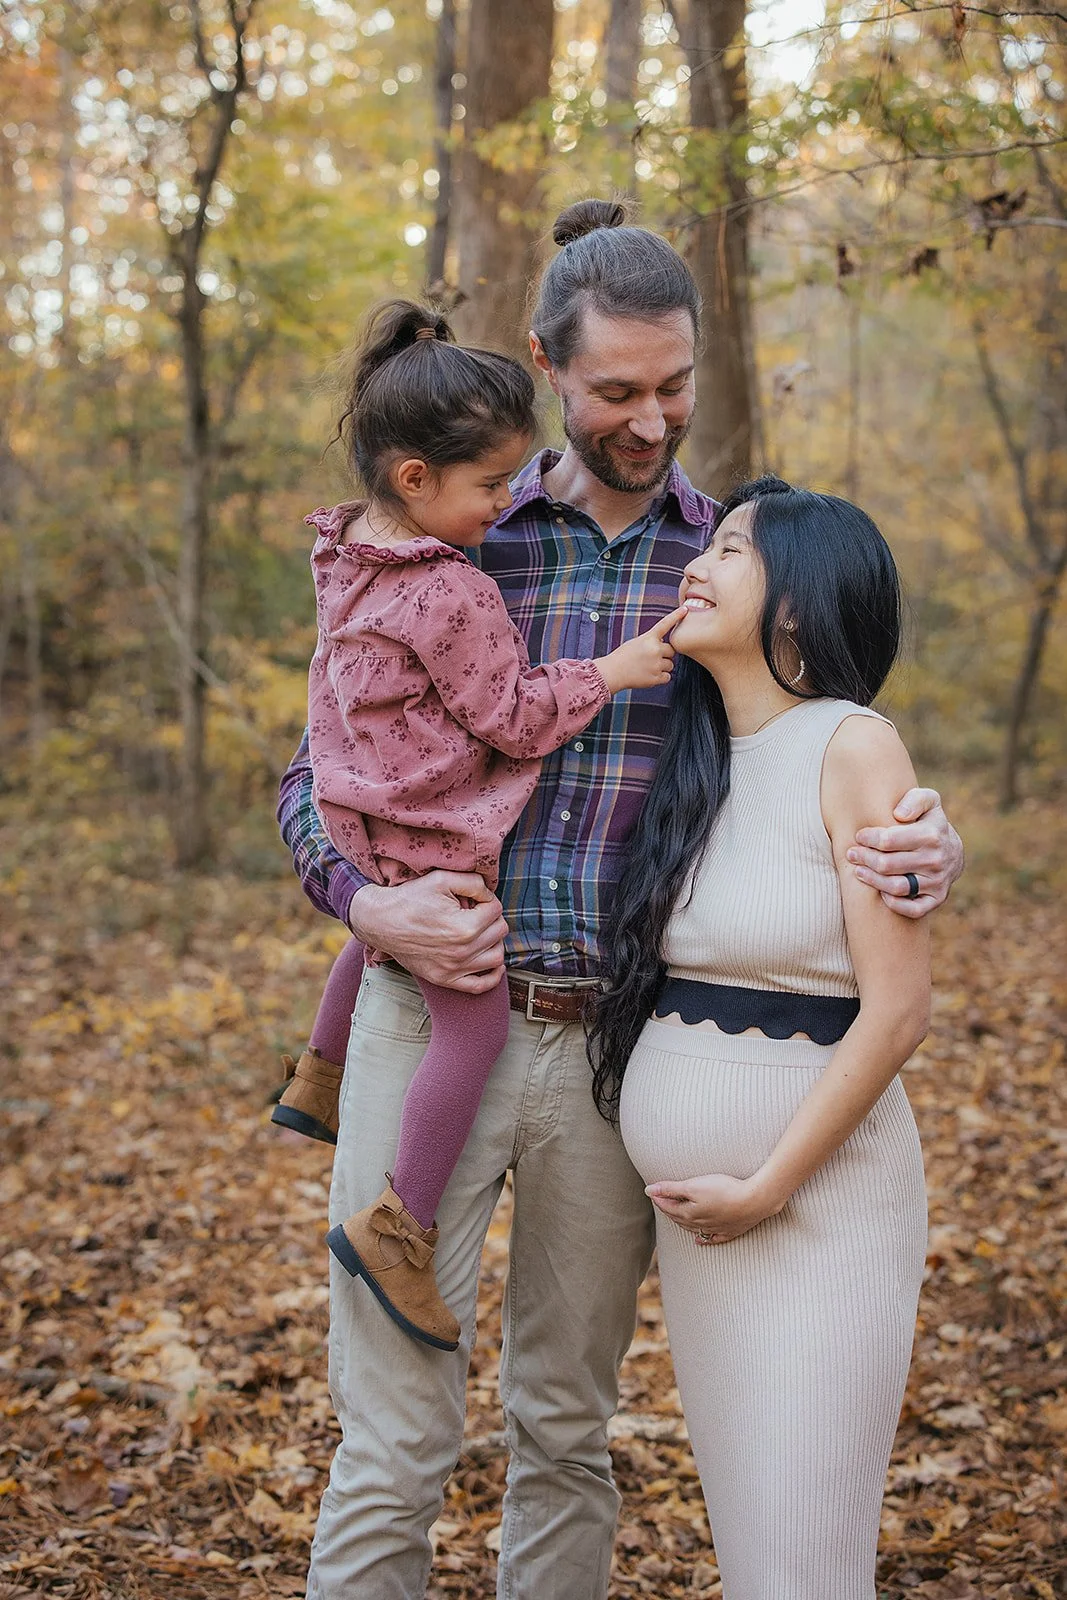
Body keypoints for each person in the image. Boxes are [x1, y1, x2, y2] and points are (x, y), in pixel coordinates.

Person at [277, 199, 964, 1600]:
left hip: (616, 1050)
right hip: (434, 1018)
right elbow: (317, 771)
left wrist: (916, 840)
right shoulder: (452, 530)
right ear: (546, 367)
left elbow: (810, 753)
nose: (650, 422)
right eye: (612, 393)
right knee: (394, 1438)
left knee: (563, 1426)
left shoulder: (733, 564)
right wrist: (364, 905)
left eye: (673, 388)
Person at [274, 297, 681, 1352]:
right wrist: (615, 667)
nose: (501, 505)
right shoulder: (454, 581)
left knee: (374, 932)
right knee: (474, 1018)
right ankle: (397, 1225)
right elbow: (509, 713)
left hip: (366, 810)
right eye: (490, 484)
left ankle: (313, 1072)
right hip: (428, 831)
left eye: (671, 388)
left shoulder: (345, 545)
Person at [590, 475, 929, 1598]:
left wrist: (769, 1183)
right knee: (753, 1545)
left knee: (802, 1560)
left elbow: (896, 1009)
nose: (697, 561)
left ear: (796, 603)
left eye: (730, 549)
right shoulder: (699, 760)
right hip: (708, 1227)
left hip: (813, 1205)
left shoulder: (851, 745)